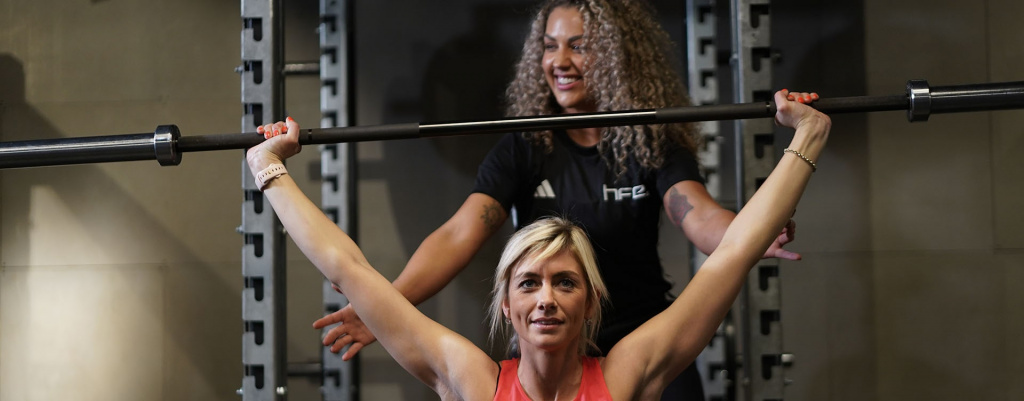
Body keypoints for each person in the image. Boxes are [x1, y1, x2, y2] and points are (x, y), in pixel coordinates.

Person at [314, 1, 804, 399]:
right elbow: (459, 233)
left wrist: (750, 231)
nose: (559, 61)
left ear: (616, 56)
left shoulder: (651, 142)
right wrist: (387, 305)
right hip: (552, 338)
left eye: (578, 46)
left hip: (639, 339)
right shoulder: (526, 146)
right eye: (549, 47)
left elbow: (695, 213)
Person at [246, 87, 829, 400]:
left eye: (565, 282)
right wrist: (268, 166)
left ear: (590, 304)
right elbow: (349, 268)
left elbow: (730, 254)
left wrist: (809, 136)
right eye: (529, 282)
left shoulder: (627, 376)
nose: (546, 298)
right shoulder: (472, 382)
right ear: (506, 304)